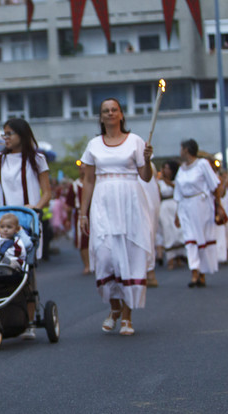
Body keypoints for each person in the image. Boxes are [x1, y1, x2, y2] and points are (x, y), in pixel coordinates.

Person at [79, 98, 154, 336]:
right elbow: (88, 180)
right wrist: (83, 212)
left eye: (114, 110)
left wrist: (148, 160)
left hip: (130, 201)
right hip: (103, 202)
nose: (110, 113)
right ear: (101, 117)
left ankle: (127, 318)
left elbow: (146, 176)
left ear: (121, 115)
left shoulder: (135, 141)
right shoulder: (93, 145)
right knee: (105, 257)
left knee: (130, 258)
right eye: (105, 111)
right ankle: (114, 308)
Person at [0, 118, 51, 340]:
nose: (5, 138)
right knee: (0, 263)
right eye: (4, 134)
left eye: (9, 134)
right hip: (4, 223)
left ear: (21, 135)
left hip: (27, 220)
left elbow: (47, 191)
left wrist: (36, 207)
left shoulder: (37, 159)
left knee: (27, 269)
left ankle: (29, 320)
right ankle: (6, 314)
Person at [174, 139, 221, 288]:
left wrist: (219, 206)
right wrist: (177, 213)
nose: (180, 152)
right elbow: (178, 192)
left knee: (200, 238)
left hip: (201, 205)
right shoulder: (181, 169)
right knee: (189, 239)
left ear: (186, 150)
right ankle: (194, 271)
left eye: (181, 149)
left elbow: (215, 186)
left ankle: (202, 272)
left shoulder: (202, 165)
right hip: (185, 206)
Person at [157, 160, 186, 269]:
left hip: (175, 204)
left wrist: (166, 180)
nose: (166, 170)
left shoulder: (177, 180)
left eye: (168, 168)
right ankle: (170, 258)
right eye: (164, 168)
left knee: (178, 231)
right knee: (168, 231)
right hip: (164, 207)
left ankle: (179, 256)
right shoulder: (159, 183)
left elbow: (177, 189)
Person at [65, 162, 91, 274]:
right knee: (83, 240)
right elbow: (69, 205)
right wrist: (67, 219)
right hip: (80, 213)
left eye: (85, 168)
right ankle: (87, 265)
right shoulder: (74, 185)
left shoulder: (95, 182)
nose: (83, 171)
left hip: (94, 212)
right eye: (81, 169)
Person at [139, 164, 161, 287]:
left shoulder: (149, 165)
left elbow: (152, 188)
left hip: (147, 204)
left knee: (147, 235)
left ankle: (149, 271)